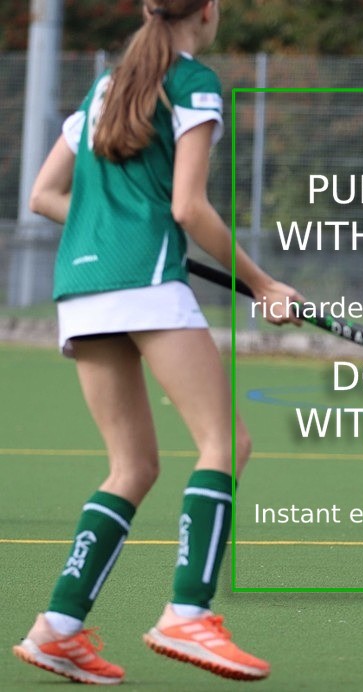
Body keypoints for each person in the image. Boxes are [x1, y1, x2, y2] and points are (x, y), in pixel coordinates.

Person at [12, 0, 301, 684]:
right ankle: (188, 614)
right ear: (209, 9)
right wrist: (262, 284)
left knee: (132, 467)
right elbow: (187, 207)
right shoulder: (193, 82)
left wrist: (121, 223)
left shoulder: (106, 85)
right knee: (226, 444)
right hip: (144, 284)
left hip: (81, 290)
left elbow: (46, 194)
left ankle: (57, 627)